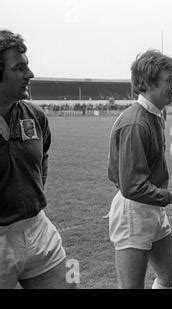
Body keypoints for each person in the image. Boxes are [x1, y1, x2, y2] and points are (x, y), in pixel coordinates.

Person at [107, 49, 172, 289]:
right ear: (148, 83)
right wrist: (171, 197)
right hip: (134, 211)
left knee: (170, 275)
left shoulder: (157, 114)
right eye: (169, 79)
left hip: (152, 206)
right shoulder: (136, 123)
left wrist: (167, 197)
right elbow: (132, 187)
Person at [0, 30, 75, 289]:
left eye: (27, 66)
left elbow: (42, 159)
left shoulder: (35, 115)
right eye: (19, 68)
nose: (29, 74)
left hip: (38, 227)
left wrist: (32, 196)